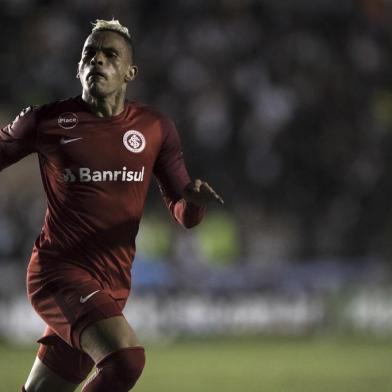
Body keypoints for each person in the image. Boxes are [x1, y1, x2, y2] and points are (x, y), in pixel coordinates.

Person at [0, 19, 223, 392]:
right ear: (78, 68)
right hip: (58, 274)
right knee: (125, 360)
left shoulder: (155, 128)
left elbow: (183, 214)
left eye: (109, 55)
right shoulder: (47, 121)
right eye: (89, 54)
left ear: (129, 72)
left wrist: (195, 203)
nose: (97, 61)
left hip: (113, 283)